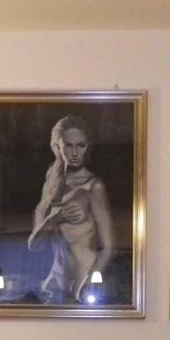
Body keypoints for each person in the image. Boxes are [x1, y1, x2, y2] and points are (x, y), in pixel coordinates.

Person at [27, 115, 114, 302]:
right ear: (57, 146)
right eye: (68, 145)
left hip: (82, 281)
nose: (75, 153)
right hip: (54, 281)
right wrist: (52, 219)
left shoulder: (93, 186)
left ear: (87, 147)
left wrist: (87, 285)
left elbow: (108, 248)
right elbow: (33, 245)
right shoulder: (52, 185)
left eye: (81, 145)